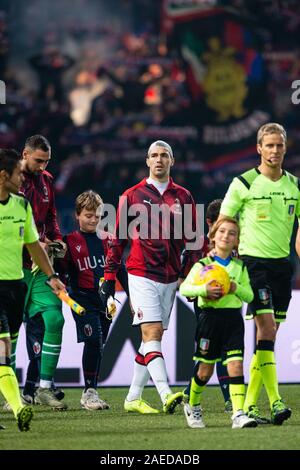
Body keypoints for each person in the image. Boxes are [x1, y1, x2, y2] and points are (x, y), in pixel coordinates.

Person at [101, 140, 201, 414]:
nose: (159, 160)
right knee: (152, 333)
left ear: (172, 161)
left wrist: (189, 274)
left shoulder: (183, 196)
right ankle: (166, 393)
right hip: (141, 273)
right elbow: (117, 239)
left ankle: (133, 397)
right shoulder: (131, 196)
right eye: (154, 155)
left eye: (164, 155)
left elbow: (194, 241)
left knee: (150, 340)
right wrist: (110, 276)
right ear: (147, 161)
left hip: (170, 277)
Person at [220, 122, 300, 425]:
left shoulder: (295, 184)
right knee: (266, 330)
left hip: (283, 267)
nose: (275, 150)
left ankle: (251, 406)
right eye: (269, 145)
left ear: (285, 147)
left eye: (279, 145)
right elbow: (224, 221)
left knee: (268, 337)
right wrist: (223, 260)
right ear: (259, 148)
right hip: (254, 265)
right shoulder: (244, 182)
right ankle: (276, 401)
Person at [0, 149, 65, 431]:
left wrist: (52, 275)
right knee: (2, 347)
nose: (22, 179)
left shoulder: (21, 205)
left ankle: (27, 393)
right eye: (18, 174)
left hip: (17, 284)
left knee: (8, 346)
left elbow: (34, 245)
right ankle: (17, 407)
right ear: (5, 176)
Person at [180, 217, 257, 429]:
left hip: (233, 320)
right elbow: (185, 288)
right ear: (213, 236)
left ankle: (238, 413)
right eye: (222, 231)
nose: (226, 236)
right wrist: (204, 290)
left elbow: (250, 296)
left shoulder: (240, 267)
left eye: (232, 233)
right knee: (205, 370)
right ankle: (192, 404)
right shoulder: (203, 265)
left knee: (235, 365)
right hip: (209, 320)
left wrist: (235, 288)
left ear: (236, 241)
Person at [61, 190, 128, 410]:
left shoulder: (109, 241)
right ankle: (89, 392)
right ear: (78, 215)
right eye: (89, 215)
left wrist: (132, 295)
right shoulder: (69, 242)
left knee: (99, 346)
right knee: (93, 341)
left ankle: (91, 391)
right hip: (82, 300)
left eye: (98, 216)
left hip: (106, 302)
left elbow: (120, 270)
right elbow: (62, 272)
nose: (93, 220)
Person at [19, 135, 67, 410]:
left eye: (46, 161)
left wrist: (55, 239)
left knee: (55, 319)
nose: (42, 166)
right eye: (38, 161)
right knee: (9, 332)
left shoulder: (46, 180)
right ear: (25, 154)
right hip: (12, 265)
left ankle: (44, 388)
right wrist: (38, 239)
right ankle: (11, 392)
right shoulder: (9, 181)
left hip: (39, 266)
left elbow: (51, 216)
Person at [182, 199, 232, 413]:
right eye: (219, 223)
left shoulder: (233, 244)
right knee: (210, 352)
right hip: (205, 307)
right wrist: (199, 290)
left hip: (229, 304)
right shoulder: (197, 245)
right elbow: (185, 276)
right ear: (209, 222)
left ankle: (229, 398)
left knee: (224, 350)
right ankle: (190, 392)